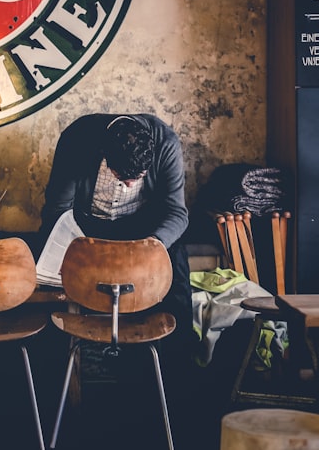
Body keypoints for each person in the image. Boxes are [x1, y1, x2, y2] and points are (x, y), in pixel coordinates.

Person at [37, 113, 198, 442]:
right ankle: (55, 403)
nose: (128, 185)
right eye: (121, 176)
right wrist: (77, 254)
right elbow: (57, 208)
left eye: (136, 178)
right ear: (104, 155)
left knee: (179, 281)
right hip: (87, 228)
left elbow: (176, 212)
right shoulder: (78, 140)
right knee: (48, 290)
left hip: (144, 230)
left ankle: (176, 399)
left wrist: (151, 248)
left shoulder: (165, 143)